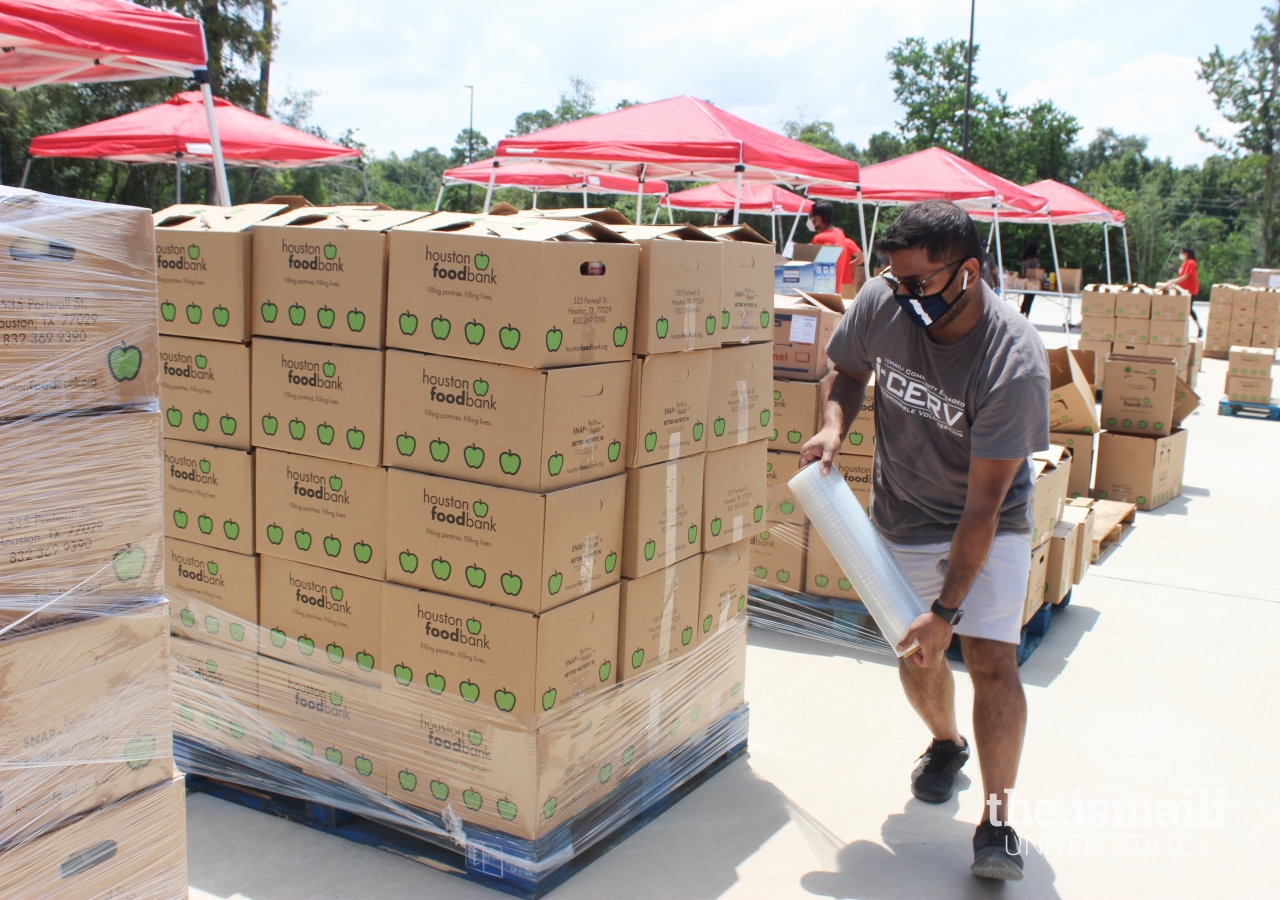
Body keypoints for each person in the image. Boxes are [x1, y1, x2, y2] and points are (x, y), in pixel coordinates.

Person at [800, 200, 1050, 882]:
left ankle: (997, 825)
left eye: (917, 285)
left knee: (993, 659)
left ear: (968, 273)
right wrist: (833, 428)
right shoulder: (884, 298)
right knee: (917, 657)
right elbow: (848, 371)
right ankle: (947, 743)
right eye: (893, 279)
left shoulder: (1013, 363)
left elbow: (984, 505)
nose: (899, 295)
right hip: (902, 510)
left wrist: (947, 613)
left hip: (985, 521)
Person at [808, 200, 864, 293]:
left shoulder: (820, 238)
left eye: (810, 217)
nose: (809, 220)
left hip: (822, 295)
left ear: (818, 219)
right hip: (835, 293)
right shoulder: (839, 234)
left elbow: (813, 269)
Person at [1159, 246, 1202, 337]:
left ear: (1187, 254)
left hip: (1190, 290)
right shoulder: (1184, 263)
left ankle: (1199, 328)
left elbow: (1186, 276)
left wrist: (1173, 281)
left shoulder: (1191, 263)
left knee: (1189, 309)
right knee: (1182, 309)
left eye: (1182, 253)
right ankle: (1181, 329)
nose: (1181, 255)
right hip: (1183, 289)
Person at [1019, 242, 1040, 317]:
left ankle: (1022, 312)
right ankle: (1027, 313)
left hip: (1025, 280)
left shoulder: (1025, 258)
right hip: (1032, 281)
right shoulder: (1034, 259)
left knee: (1025, 298)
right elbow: (1035, 271)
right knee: (1030, 299)